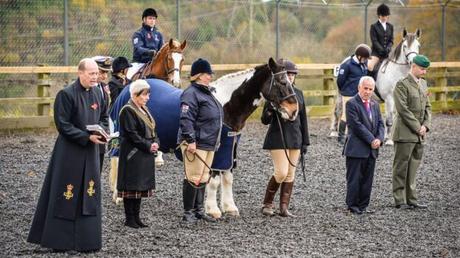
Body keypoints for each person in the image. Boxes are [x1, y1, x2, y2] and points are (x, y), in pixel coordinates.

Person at [27, 58, 108, 252]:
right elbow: (62, 125)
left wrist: (101, 132)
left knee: (88, 193)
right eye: (91, 73)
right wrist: (85, 137)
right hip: (69, 153)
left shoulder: (99, 93)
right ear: (80, 73)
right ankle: (60, 242)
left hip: (91, 151)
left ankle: (86, 241)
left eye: (97, 73)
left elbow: (104, 117)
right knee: (66, 194)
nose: (96, 77)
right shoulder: (66, 94)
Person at [261, 59, 310, 218]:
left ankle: (283, 207)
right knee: (281, 172)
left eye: (293, 75)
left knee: (290, 174)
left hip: (295, 137)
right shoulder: (275, 92)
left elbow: (303, 120)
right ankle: (267, 203)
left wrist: (305, 142)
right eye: (288, 74)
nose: (291, 77)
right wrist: (269, 108)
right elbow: (265, 120)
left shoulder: (300, 94)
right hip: (278, 137)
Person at [178, 58, 222, 223]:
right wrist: (190, 140)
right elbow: (186, 118)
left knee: (203, 177)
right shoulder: (191, 94)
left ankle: (199, 210)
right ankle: (188, 212)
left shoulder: (206, 92)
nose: (210, 76)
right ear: (199, 76)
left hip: (209, 141)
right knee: (193, 176)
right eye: (207, 74)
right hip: (197, 141)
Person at [117, 79, 159, 228]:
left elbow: (153, 129)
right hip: (133, 154)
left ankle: (137, 217)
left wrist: (155, 143)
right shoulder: (127, 110)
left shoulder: (144, 109)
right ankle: (129, 218)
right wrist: (148, 145)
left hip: (144, 153)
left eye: (148, 94)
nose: (147, 98)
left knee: (139, 186)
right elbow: (132, 134)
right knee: (131, 186)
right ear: (135, 95)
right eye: (145, 95)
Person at [392, 55, 431, 210]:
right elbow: (403, 110)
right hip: (404, 133)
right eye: (422, 69)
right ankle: (399, 200)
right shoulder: (402, 85)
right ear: (413, 66)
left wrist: (426, 126)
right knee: (401, 167)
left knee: (413, 167)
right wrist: (418, 127)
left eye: (425, 69)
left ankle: (412, 199)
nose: (424, 72)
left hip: (419, 134)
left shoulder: (423, 84)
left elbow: (428, 107)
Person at [343, 76, 384, 215]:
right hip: (356, 149)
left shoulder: (375, 104)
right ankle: (352, 205)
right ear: (359, 87)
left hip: (372, 150)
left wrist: (379, 139)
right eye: (365, 88)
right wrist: (372, 139)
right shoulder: (351, 103)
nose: (367, 91)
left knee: (367, 179)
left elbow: (380, 124)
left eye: (370, 89)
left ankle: (363, 205)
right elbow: (356, 125)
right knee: (354, 179)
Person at [336, 44, 371, 145]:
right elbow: (340, 81)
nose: (366, 60)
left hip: (360, 94)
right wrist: (345, 91)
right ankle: (341, 137)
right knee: (346, 116)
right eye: (364, 58)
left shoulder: (363, 64)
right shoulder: (347, 65)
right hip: (348, 94)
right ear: (359, 56)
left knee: (362, 114)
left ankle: (356, 135)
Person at [129, 8, 164, 79]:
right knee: (129, 76)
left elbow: (162, 49)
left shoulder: (159, 34)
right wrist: (150, 52)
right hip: (140, 63)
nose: (152, 21)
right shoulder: (138, 33)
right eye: (150, 18)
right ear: (144, 19)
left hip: (155, 63)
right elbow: (138, 48)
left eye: (154, 19)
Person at [93, 56, 112, 173]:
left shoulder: (104, 87)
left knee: (97, 168)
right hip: (87, 134)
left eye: (106, 72)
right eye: (102, 72)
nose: (104, 76)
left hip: (101, 132)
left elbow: (105, 112)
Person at [368, 3, 394, 74]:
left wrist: (388, 48)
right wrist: (382, 50)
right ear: (379, 15)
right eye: (383, 16)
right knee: (369, 66)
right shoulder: (374, 26)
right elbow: (374, 41)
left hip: (388, 53)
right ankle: (370, 82)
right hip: (376, 53)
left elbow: (391, 40)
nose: (385, 17)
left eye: (386, 15)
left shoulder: (390, 26)